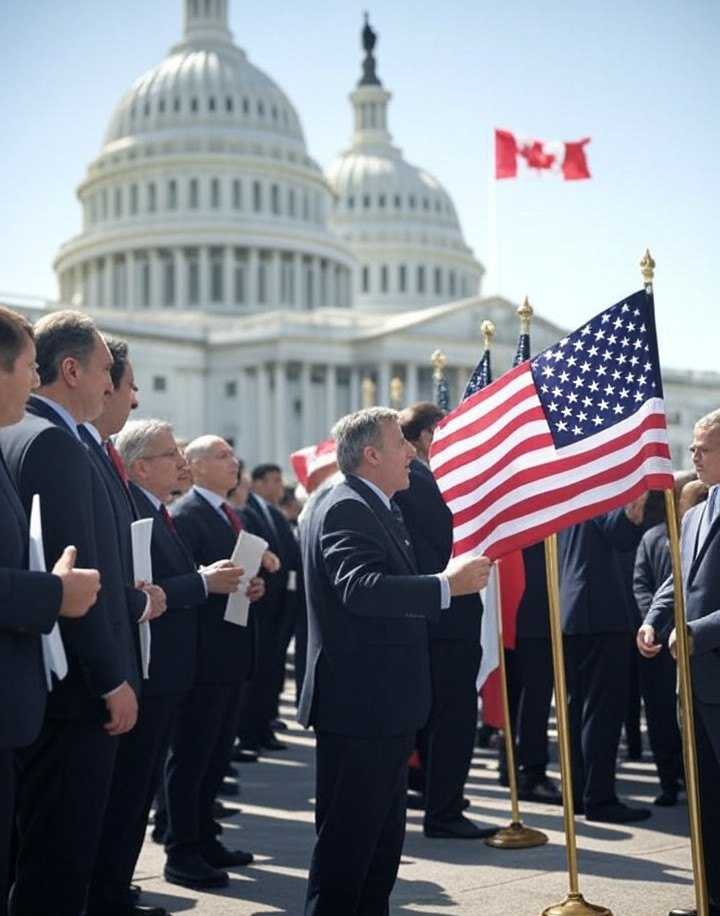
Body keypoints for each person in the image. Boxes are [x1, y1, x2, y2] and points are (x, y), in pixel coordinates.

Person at [298, 406, 492, 916]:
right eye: (400, 445)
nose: (412, 452)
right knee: (349, 843)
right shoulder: (346, 506)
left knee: (378, 846)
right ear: (371, 454)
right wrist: (445, 586)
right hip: (363, 703)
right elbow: (359, 590)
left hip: (381, 702)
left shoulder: (372, 502)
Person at [0, 310, 140, 916]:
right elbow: (75, 572)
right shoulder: (51, 442)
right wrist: (109, 677)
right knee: (58, 865)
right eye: (107, 372)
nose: (113, 387)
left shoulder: (27, 435)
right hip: (70, 689)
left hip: (38, 684)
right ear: (72, 369)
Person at [163, 436, 265, 891]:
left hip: (229, 654)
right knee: (191, 759)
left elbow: (230, 580)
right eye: (223, 456)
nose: (234, 462)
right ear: (197, 467)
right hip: (203, 658)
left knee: (214, 758)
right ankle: (182, 850)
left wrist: (250, 587)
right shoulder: (186, 515)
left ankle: (206, 837)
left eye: (232, 455)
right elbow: (185, 584)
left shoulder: (230, 513)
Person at [395, 401, 492, 837]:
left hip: (438, 614)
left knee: (436, 715)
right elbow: (457, 530)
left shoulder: (419, 478)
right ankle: (444, 810)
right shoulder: (419, 478)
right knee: (451, 718)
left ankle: (439, 795)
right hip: (446, 616)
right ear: (428, 436)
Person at [638, 409, 720, 916]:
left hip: (709, 665)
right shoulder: (692, 513)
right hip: (691, 682)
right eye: (692, 447)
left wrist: (696, 633)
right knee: (705, 801)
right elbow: (678, 581)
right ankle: (710, 897)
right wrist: (654, 618)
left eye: (703, 448)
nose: (692, 455)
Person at [557, 500, 649, 823]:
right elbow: (619, 534)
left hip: (576, 608)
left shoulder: (576, 486)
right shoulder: (600, 486)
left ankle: (580, 793)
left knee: (579, 708)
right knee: (601, 710)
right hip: (600, 611)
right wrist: (633, 507)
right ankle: (599, 797)